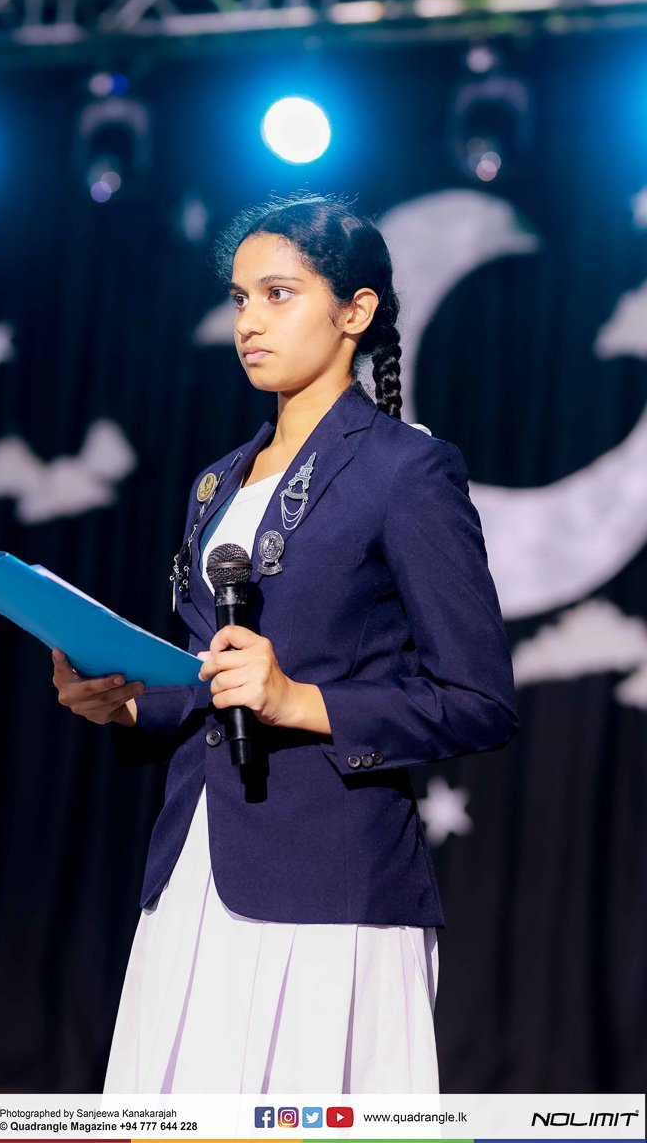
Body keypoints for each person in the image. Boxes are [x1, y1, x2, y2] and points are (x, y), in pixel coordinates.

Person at [51, 192, 520, 1095]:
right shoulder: (215, 483)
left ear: (355, 312)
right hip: (193, 870)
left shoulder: (406, 469)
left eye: (278, 294)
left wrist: (298, 701)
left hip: (329, 880)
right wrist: (127, 705)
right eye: (239, 298)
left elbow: (479, 702)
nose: (248, 322)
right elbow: (211, 679)